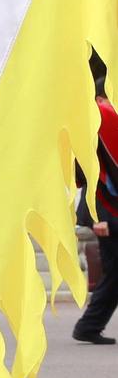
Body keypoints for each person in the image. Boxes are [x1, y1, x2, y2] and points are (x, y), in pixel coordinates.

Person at [75, 76, 118, 344]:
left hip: (109, 210)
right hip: (103, 212)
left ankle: (89, 326)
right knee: (114, 275)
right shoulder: (95, 120)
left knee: (114, 275)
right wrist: (95, 219)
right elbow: (89, 178)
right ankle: (87, 326)